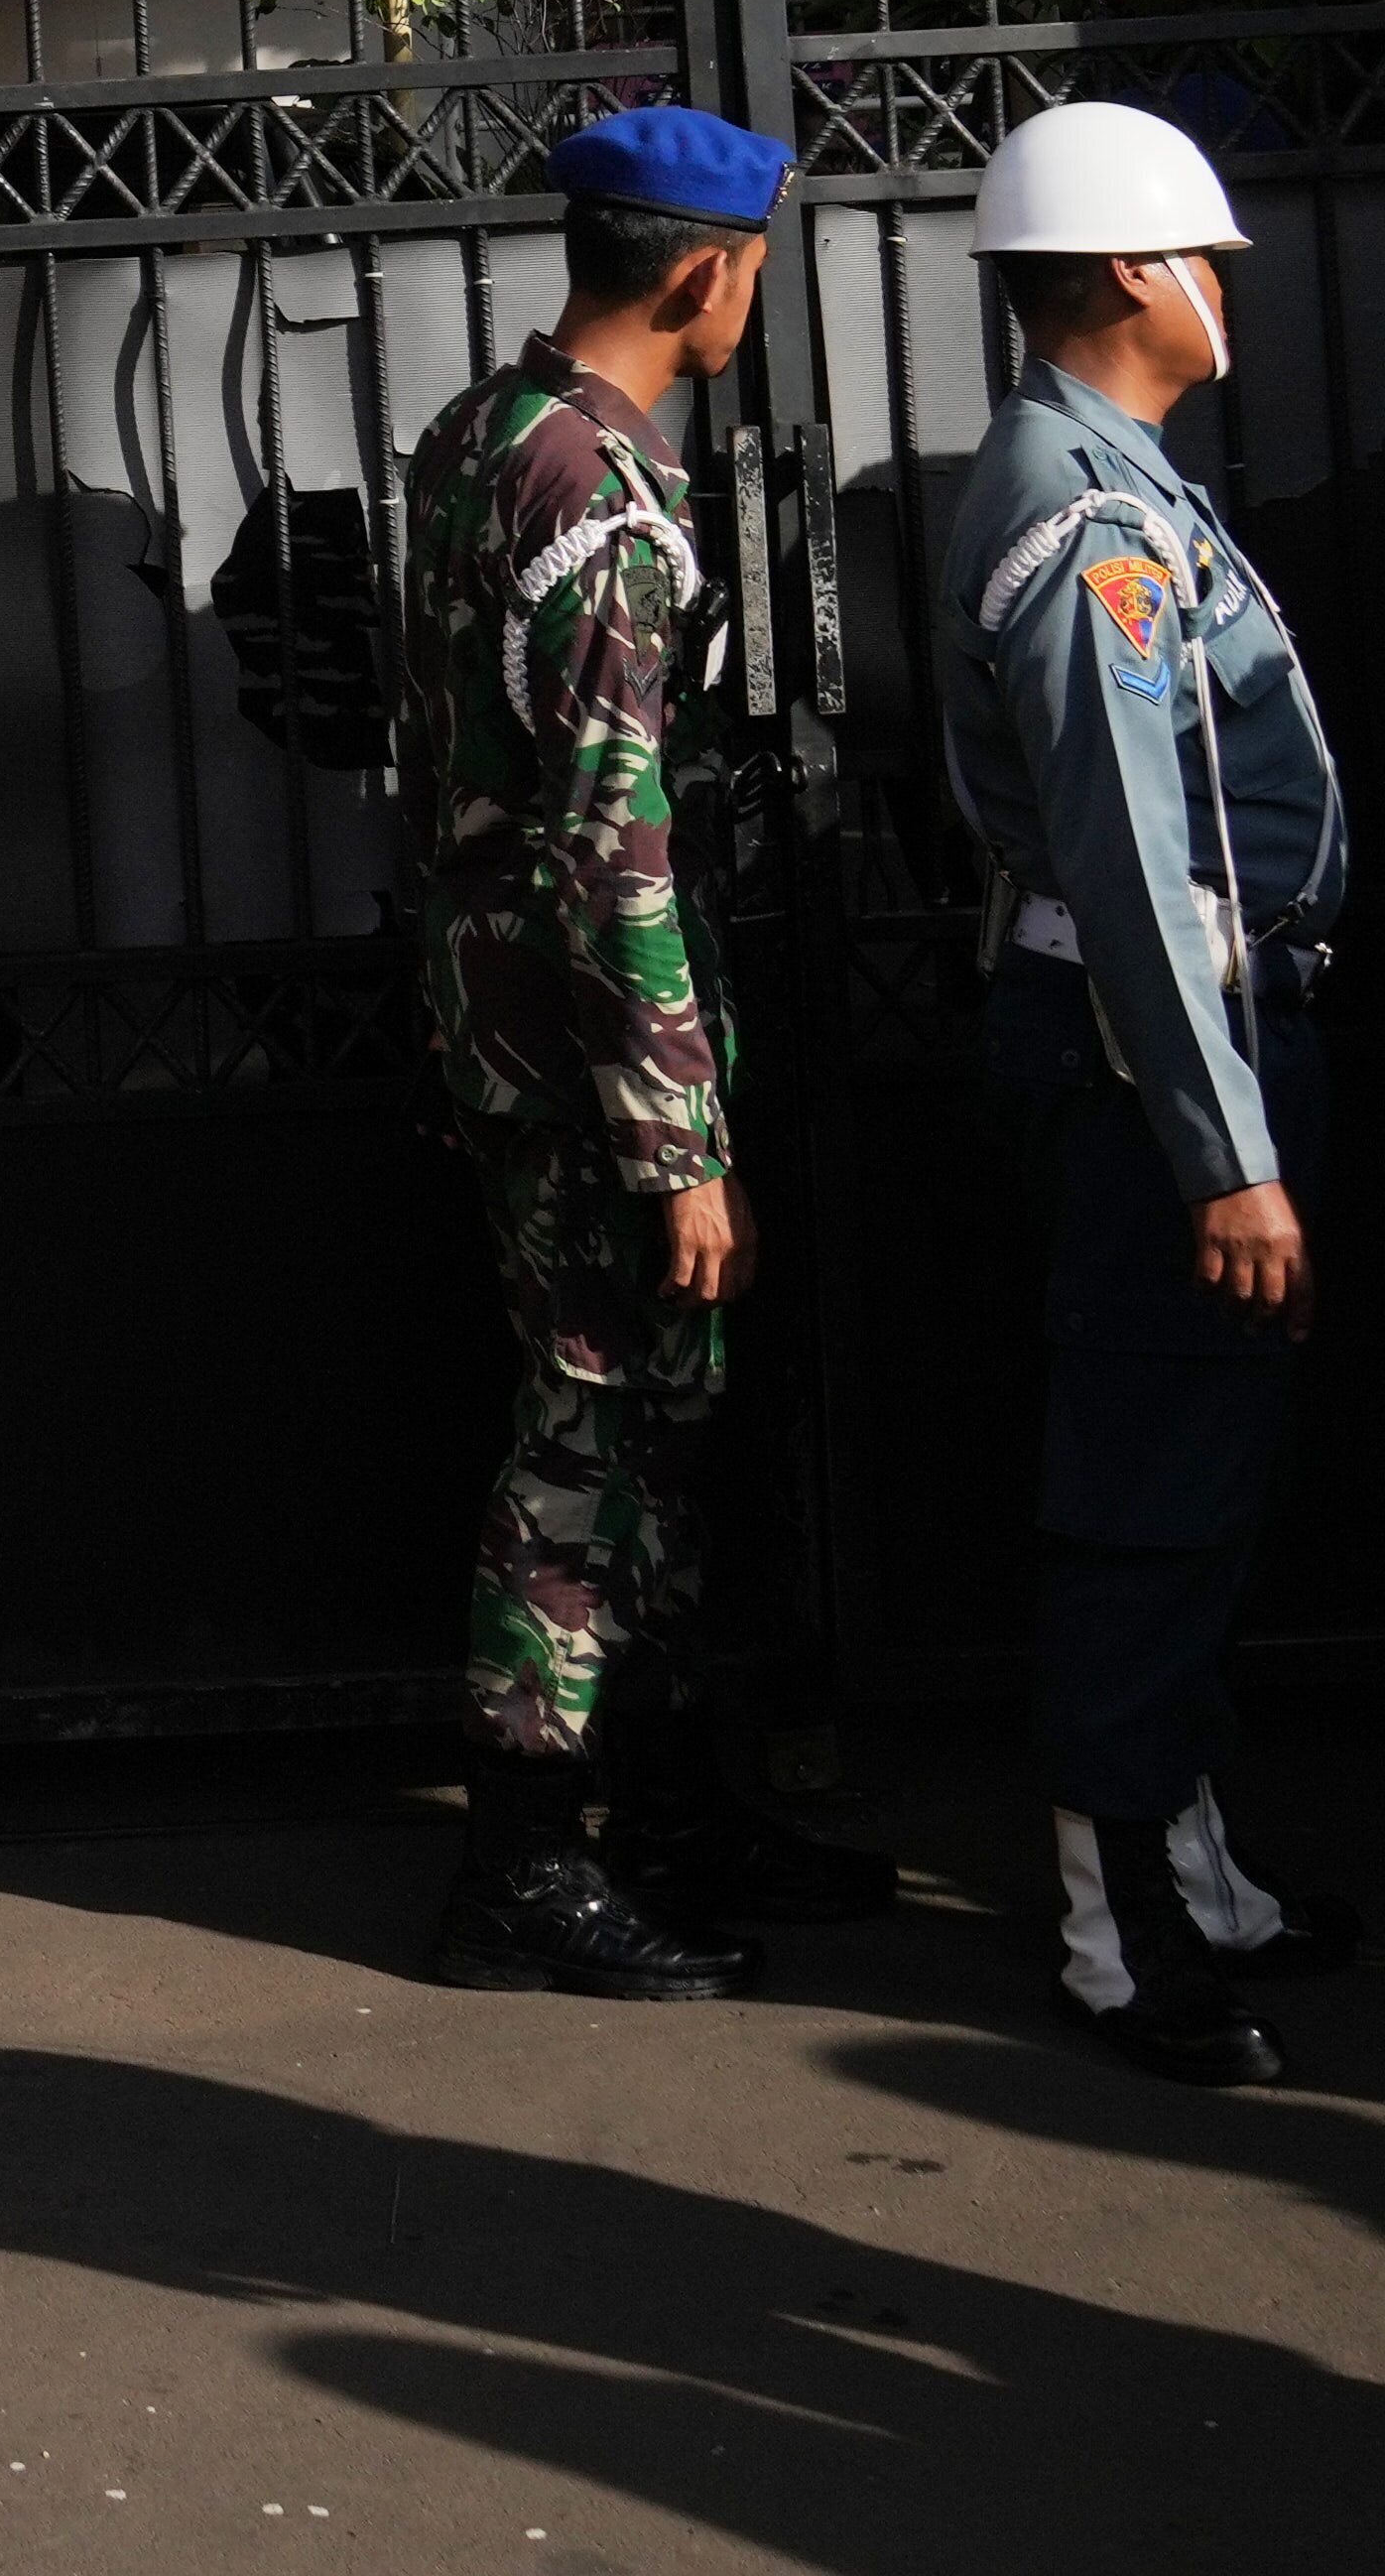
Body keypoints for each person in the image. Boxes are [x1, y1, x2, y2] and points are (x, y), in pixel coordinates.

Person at [395, 105, 896, 1998]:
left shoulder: (484, 433)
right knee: (591, 1436)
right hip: (592, 1060)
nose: (753, 291)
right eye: (754, 264)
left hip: (515, 1035)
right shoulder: (596, 495)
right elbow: (607, 838)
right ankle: (522, 1864)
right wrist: (678, 1140)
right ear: (702, 270)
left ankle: (670, 1810)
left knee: (652, 1427)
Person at [937, 100, 1364, 2088]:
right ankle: (1123, 1936)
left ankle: (1194, 1874)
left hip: (1191, 1045)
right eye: (1209, 258)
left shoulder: (1115, 479)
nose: (1226, 291)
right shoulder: (1090, 515)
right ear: (1131, 272)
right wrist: (1225, 1154)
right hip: (1153, 1068)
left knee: (1199, 1489)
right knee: (1143, 1498)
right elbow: (1123, 852)